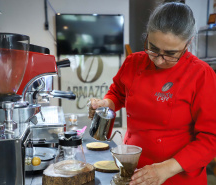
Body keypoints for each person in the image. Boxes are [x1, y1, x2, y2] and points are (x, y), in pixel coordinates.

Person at [88, 2, 216, 185]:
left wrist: (166, 168)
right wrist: (106, 104)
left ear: (189, 43)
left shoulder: (201, 75)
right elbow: (117, 93)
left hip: (178, 174)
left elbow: (210, 139)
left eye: (171, 54)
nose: (159, 60)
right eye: (153, 48)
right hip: (132, 168)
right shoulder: (133, 63)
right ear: (147, 35)